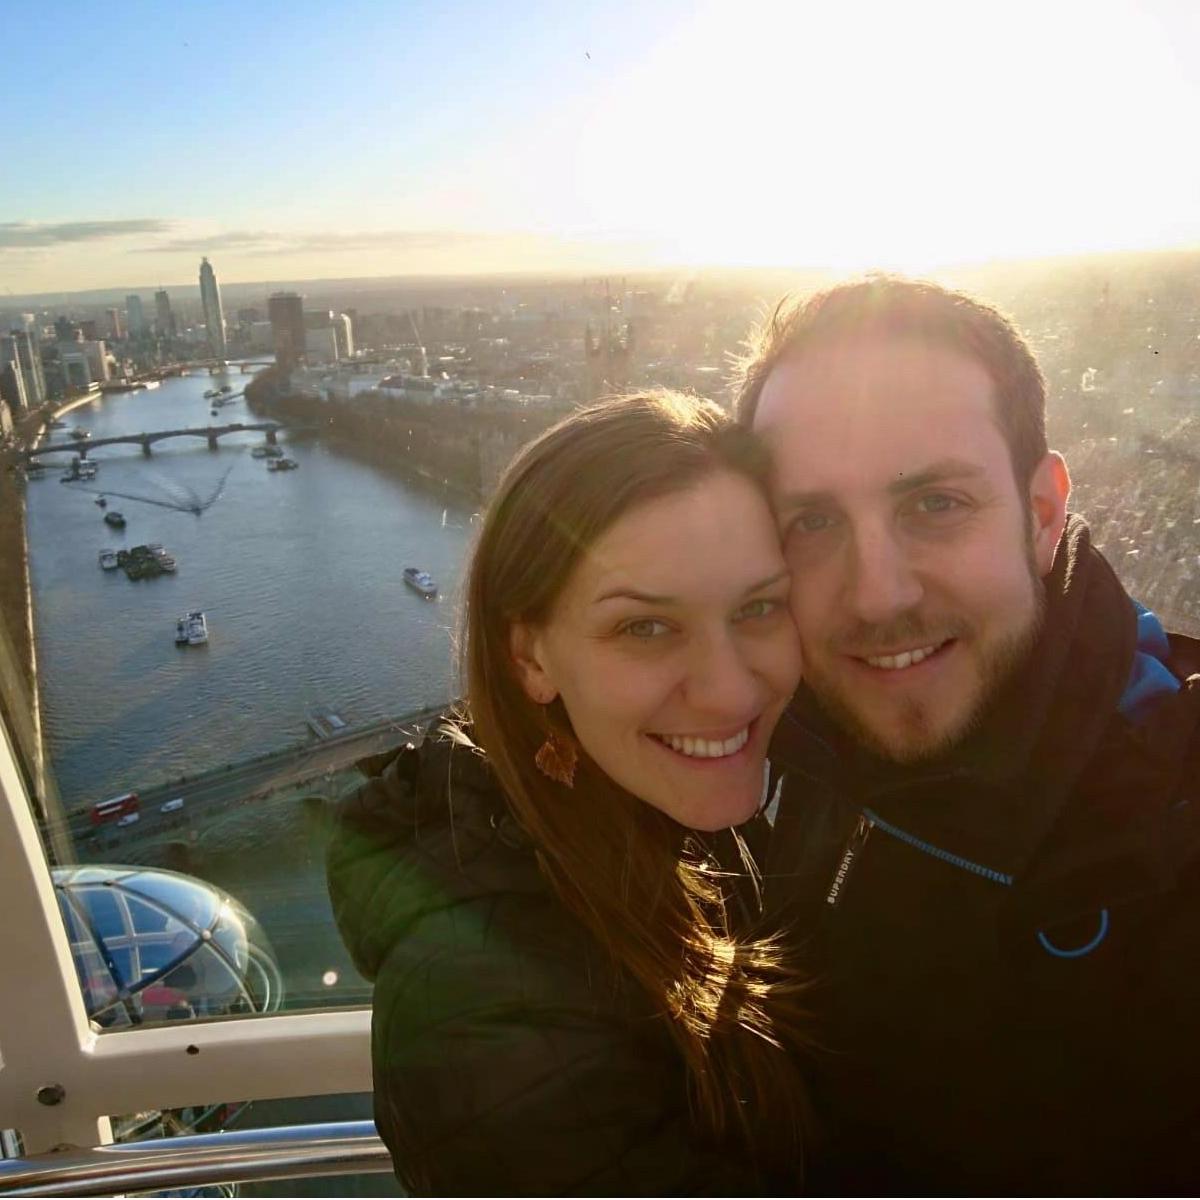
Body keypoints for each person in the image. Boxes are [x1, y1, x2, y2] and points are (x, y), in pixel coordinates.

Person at [736, 275, 1200, 1193]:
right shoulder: (751, 752)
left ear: (1042, 513)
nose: (878, 595)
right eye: (814, 521)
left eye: (936, 504)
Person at [327, 391, 811, 1195]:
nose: (729, 693)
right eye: (645, 627)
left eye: (760, 607)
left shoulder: (652, 806)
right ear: (531, 659)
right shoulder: (485, 1016)